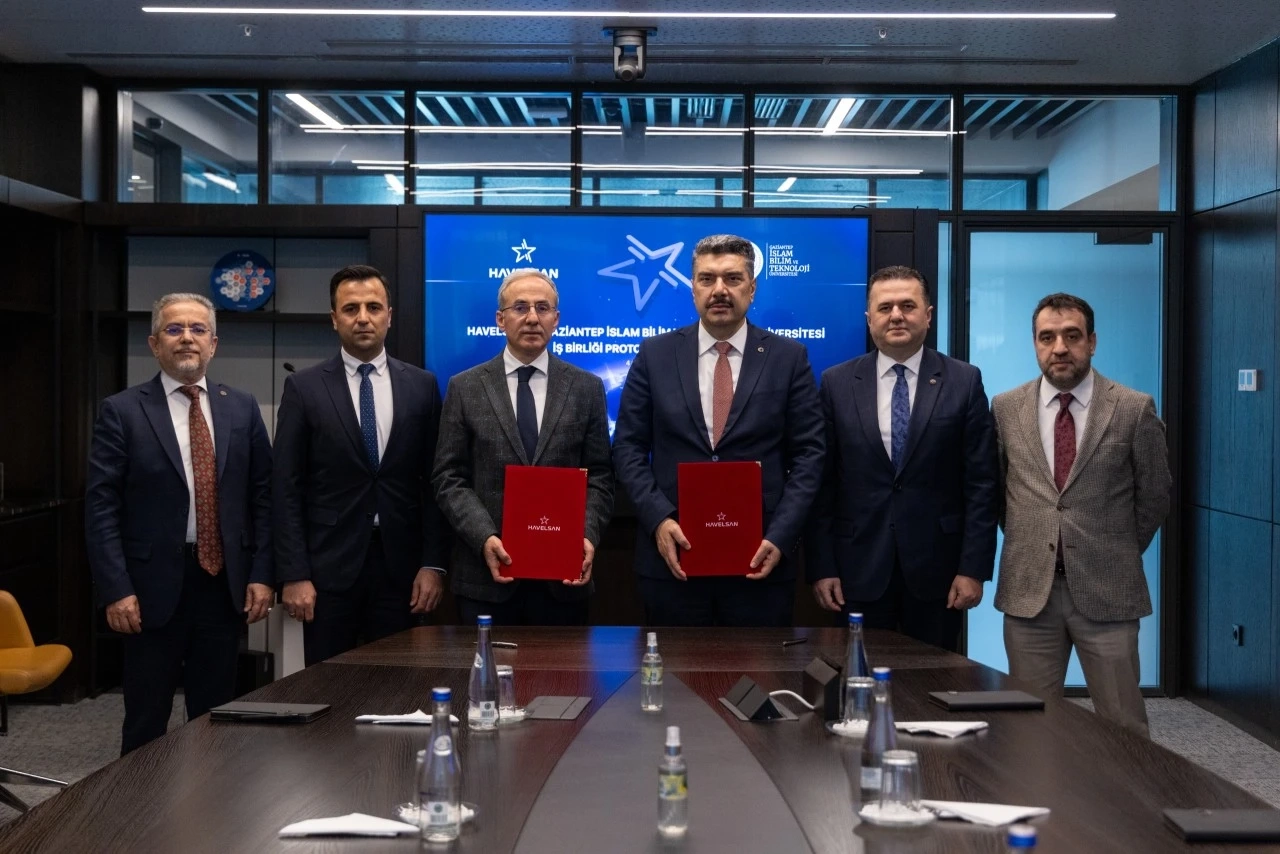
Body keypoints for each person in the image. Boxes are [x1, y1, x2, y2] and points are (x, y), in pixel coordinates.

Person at [86, 293, 273, 754]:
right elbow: (101, 507)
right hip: (149, 589)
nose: (187, 338)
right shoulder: (122, 411)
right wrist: (115, 588)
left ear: (214, 344)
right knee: (146, 719)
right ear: (154, 344)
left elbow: (264, 498)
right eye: (174, 329)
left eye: (197, 329)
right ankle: (137, 800)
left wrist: (263, 573)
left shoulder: (242, 407)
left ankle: (212, 799)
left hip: (222, 584)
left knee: (215, 717)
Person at [613, 234, 825, 627]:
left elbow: (810, 455)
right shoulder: (654, 354)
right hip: (672, 560)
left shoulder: (788, 357)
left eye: (733, 278)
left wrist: (780, 535)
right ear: (693, 287)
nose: (720, 290)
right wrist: (659, 519)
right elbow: (628, 447)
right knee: (672, 667)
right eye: (707, 279)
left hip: (760, 561)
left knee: (759, 668)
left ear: (752, 288)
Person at [993, 292, 1170, 737]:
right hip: (1030, 593)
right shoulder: (1006, 408)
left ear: (1092, 342)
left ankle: (1126, 789)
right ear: (1034, 343)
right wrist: (1035, 539)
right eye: (1047, 337)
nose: (1059, 348)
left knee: (1123, 724)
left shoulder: (1132, 407)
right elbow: (997, 494)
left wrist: (1114, 549)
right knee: (1029, 726)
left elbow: (1154, 495)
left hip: (1108, 591)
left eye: (1072, 336)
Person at [806, 266, 998, 652]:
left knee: (934, 679)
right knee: (858, 675)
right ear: (869, 319)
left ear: (928, 315)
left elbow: (982, 483)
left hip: (939, 572)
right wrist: (822, 567)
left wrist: (973, 569)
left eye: (907, 306)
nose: (896, 315)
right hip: (856, 568)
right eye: (885, 307)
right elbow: (821, 483)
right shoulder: (836, 383)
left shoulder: (964, 381)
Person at [273, 264, 447, 665]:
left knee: (399, 685)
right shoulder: (304, 388)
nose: (363, 318)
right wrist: (294, 573)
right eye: (351, 309)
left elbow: (435, 483)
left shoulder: (422, 386)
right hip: (327, 572)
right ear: (335, 319)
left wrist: (433, 564)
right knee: (328, 688)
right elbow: (286, 486)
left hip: (402, 571)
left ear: (390, 315)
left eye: (373, 307)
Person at [431, 270, 613, 625]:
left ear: (556, 319)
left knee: (562, 666)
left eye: (542, 308)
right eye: (520, 307)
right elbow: (448, 476)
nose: (532, 317)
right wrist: (484, 537)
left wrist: (587, 535)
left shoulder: (587, 388)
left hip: (564, 580)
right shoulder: (464, 387)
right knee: (487, 665)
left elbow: (601, 476)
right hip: (486, 578)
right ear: (500, 319)